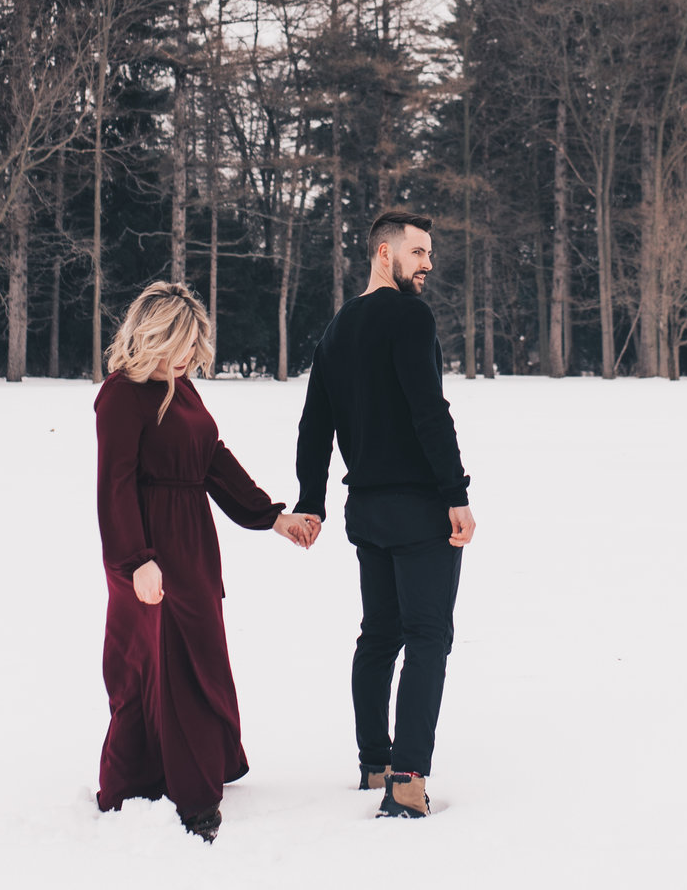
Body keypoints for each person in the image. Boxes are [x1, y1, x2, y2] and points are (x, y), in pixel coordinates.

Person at [95, 281, 321, 842]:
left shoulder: (183, 389)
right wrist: (138, 561)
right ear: (157, 336)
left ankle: (197, 766)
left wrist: (273, 517)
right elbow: (114, 487)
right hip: (146, 552)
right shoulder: (121, 395)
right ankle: (187, 796)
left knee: (198, 659)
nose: (195, 356)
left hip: (192, 546)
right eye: (187, 344)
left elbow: (213, 461)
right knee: (160, 668)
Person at [294, 209, 477, 821]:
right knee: (428, 638)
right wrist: (456, 494)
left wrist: (312, 501)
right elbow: (431, 411)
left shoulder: (338, 328)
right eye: (418, 252)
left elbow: (314, 424)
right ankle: (406, 781)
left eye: (429, 253)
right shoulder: (409, 316)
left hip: (366, 512)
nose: (428, 264)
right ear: (383, 254)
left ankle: (375, 760)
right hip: (419, 508)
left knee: (379, 634)